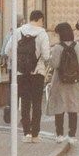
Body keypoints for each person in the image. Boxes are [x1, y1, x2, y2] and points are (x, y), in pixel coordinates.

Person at [12, 9, 50, 141]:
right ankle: (35, 135)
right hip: (37, 72)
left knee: (25, 102)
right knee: (37, 103)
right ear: (40, 19)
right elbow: (46, 55)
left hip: (21, 72)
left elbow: (8, 50)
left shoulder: (18, 31)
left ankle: (26, 133)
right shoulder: (42, 34)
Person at [44, 21, 79, 143]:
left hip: (60, 81)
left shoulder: (57, 48)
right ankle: (72, 135)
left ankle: (59, 135)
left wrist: (50, 59)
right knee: (73, 107)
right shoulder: (78, 46)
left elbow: (55, 64)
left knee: (59, 108)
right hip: (75, 81)